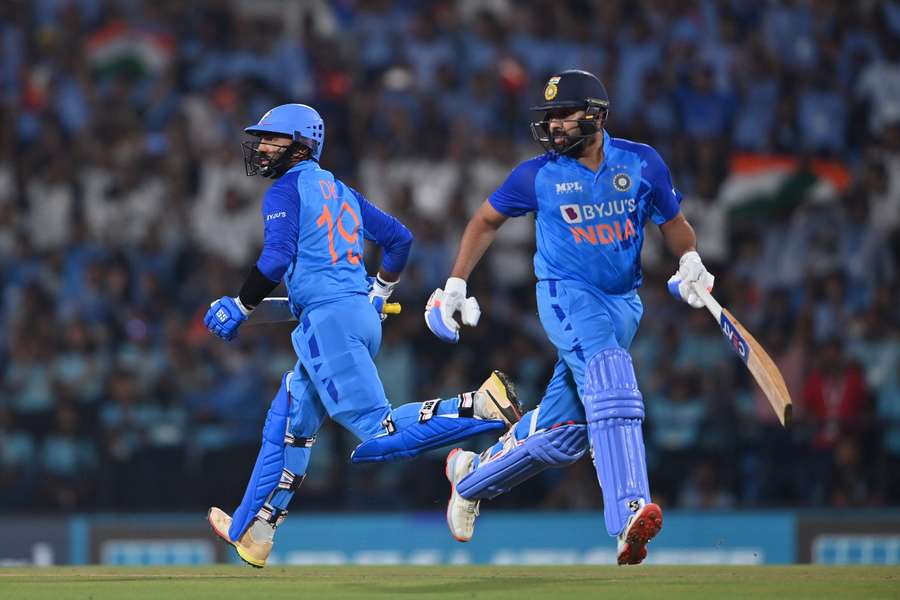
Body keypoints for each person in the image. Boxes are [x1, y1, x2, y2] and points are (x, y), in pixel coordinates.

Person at [203, 104, 522, 567]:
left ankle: (478, 406)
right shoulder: (341, 190)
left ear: (301, 144)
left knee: (378, 433)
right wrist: (379, 292)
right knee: (291, 415)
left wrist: (241, 304)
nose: (263, 148)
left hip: (328, 324)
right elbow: (399, 240)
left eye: (273, 139)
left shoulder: (285, 191)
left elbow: (274, 261)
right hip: (355, 315)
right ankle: (254, 530)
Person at [424, 70, 714, 565]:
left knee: (564, 434)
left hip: (623, 303)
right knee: (610, 376)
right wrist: (456, 282)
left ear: (596, 115)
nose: (554, 125)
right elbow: (485, 220)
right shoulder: (536, 175)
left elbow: (675, 224)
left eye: (565, 114)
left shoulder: (642, 163)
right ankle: (628, 512)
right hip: (565, 295)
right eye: (550, 116)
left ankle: (469, 478)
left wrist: (690, 260)